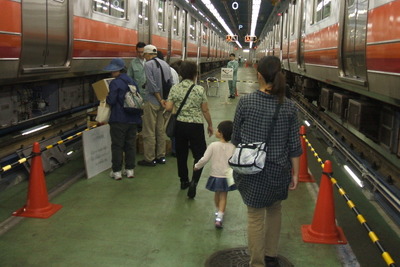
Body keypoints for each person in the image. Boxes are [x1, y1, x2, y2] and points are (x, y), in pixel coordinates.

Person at [231, 56, 302, 267]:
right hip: (278, 171)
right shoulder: (289, 107)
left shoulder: (246, 102)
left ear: (258, 74)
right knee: (274, 210)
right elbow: (294, 145)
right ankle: (271, 256)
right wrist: (296, 173)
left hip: (251, 171)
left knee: (254, 217)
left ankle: (257, 263)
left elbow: (236, 138)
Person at [164, 60, 213, 198]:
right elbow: (205, 110)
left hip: (180, 125)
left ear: (181, 74)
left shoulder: (175, 88)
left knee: (182, 154)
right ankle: (194, 181)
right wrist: (210, 125)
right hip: (196, 126)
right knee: (199, 155)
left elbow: (168, 108)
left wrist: (165, 103)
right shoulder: (199, 89)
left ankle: (183, 181)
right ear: (194, 74)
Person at [194, 120, 236, 229]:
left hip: (215, 174)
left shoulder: (213, 145)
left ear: (220, 133)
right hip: (228, 175)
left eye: (218, 130)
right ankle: (220, 216)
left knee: (217, 193)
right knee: (224, 195)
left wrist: (197, 166)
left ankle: (218, 211)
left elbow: (205, 159)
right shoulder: (233, 147)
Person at [104, 58, 142, 180]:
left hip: (119, 119)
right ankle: (130, 170)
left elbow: (112, 100)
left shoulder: (115, 83)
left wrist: (106, 97)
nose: (111, 73)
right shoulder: (132, 81)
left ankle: (117, 171)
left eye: (112, 70)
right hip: (133, 119)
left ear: (118, 70)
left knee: (117, 145)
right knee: (130, 145)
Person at [138, 45, 173, 167]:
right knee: (160, 130)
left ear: (147, 54)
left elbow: (152, 85)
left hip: (153, 101)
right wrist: (165, 100)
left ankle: (150, 158)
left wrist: (159, 99)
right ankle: (161, 156)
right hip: (164, 103)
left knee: (149, 130)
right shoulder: (165, 64)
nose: (144, 58)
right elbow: (171, 83)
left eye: (144, 55)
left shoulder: (148, 65)